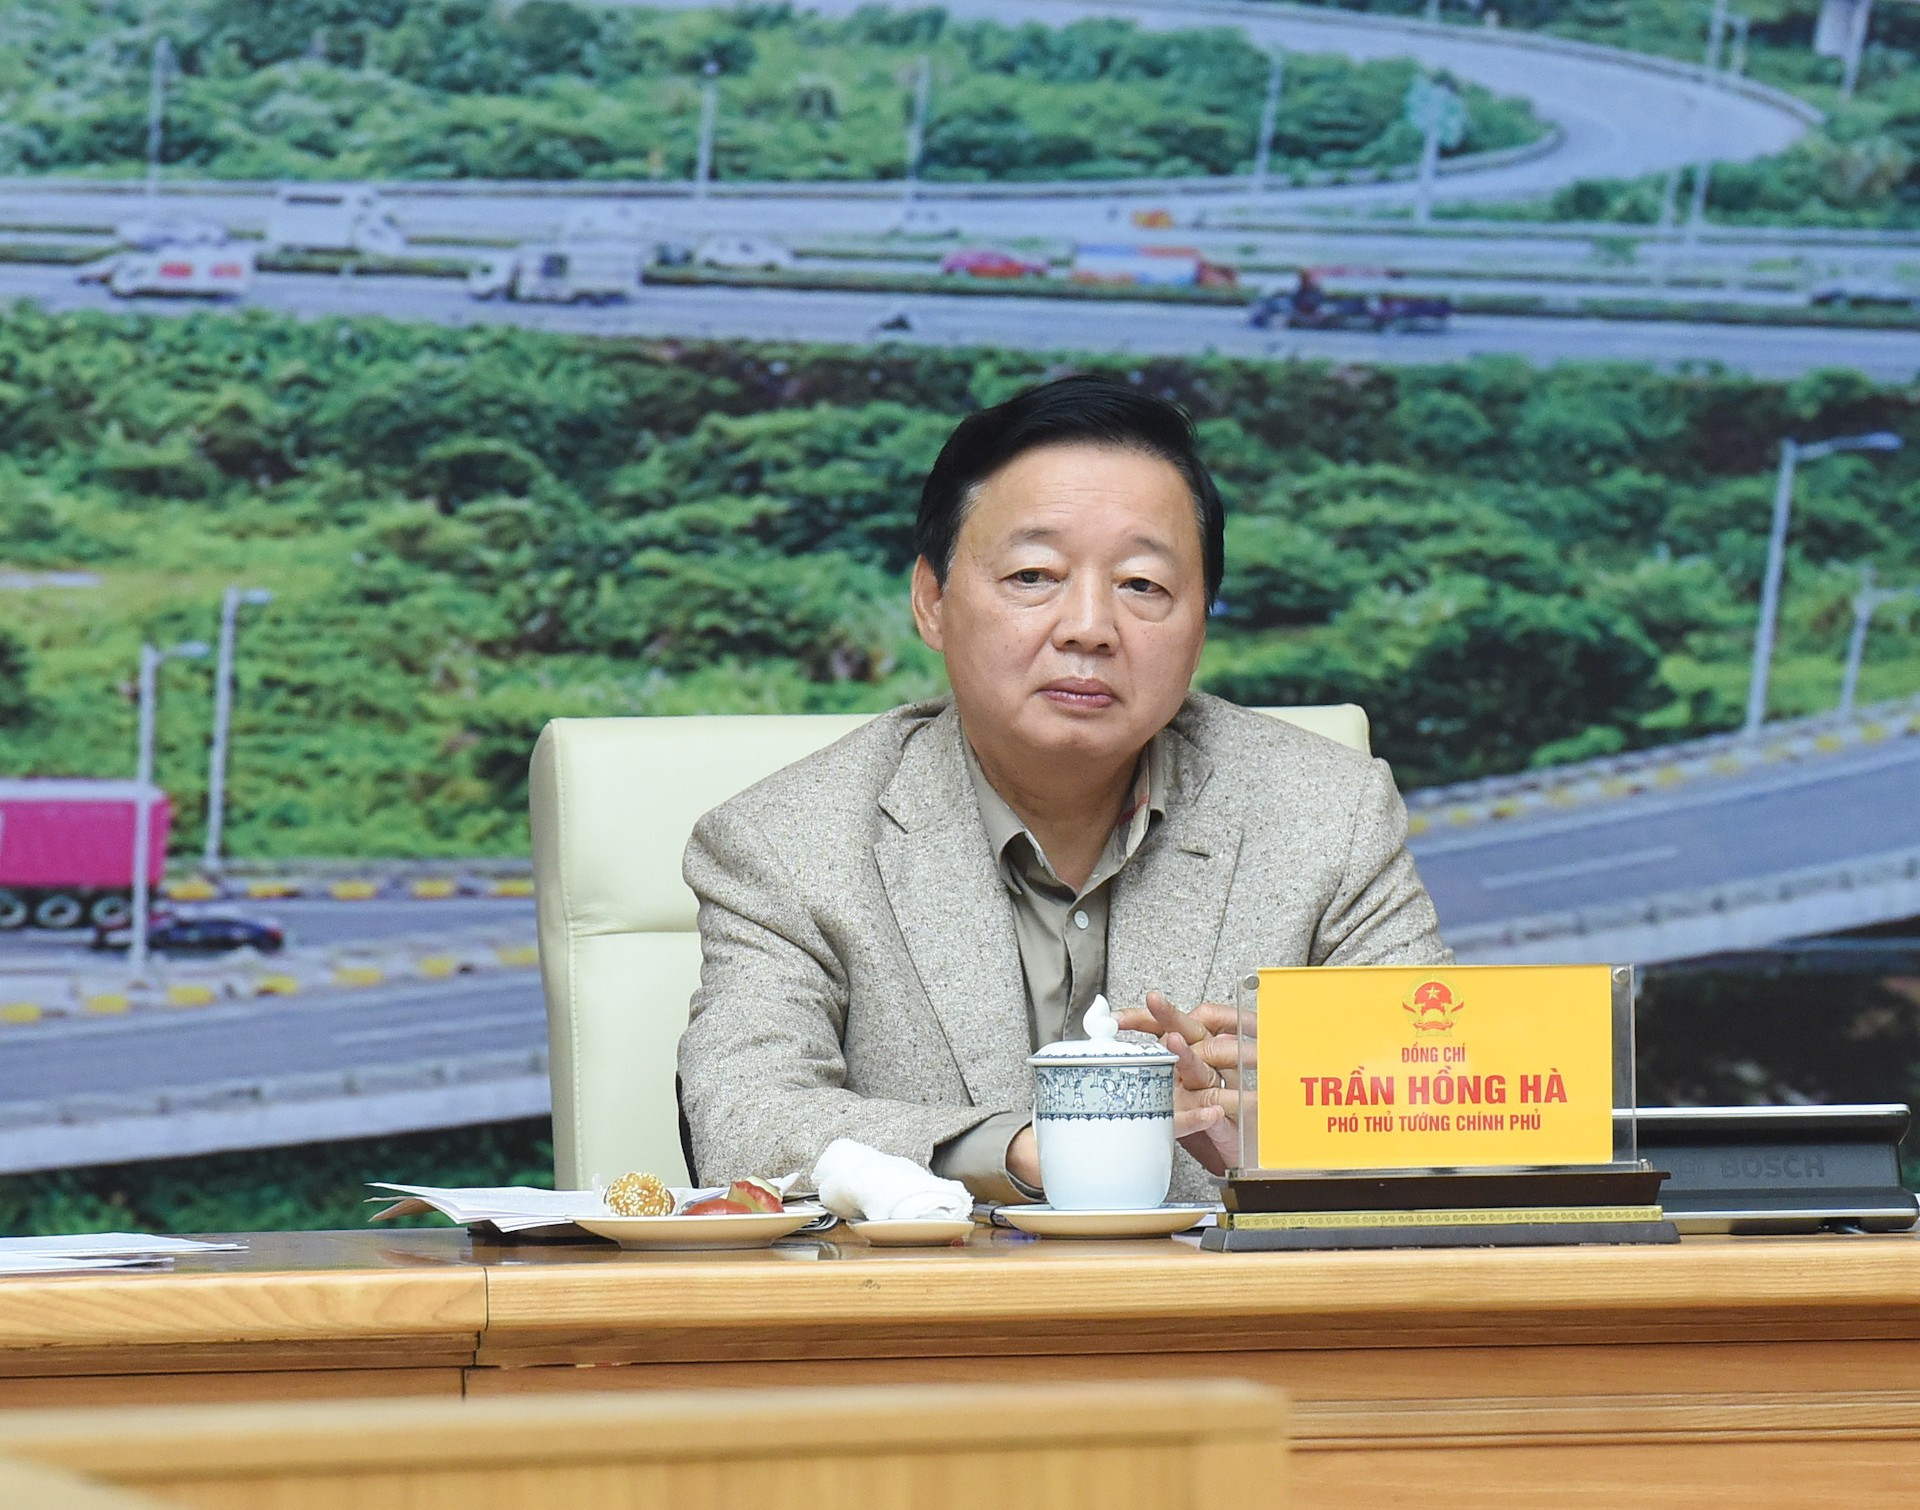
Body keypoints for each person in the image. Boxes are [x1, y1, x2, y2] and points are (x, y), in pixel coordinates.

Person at [676, 375, 1449, 1202]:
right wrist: (1015, 1151)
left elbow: (1449, 1108)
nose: (1088, 626)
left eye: (1143, 585)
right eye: (1034, 576)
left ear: (1201, 623)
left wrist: (1295, 1121)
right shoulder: (786, 841)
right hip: (916, 1320)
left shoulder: (1329, 814)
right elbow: (741, 1118)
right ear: (932, 601)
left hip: (1238, 1320)